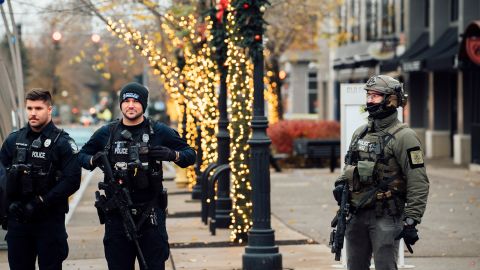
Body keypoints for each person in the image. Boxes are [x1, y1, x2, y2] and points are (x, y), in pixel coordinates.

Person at [78, 82, 196, 270]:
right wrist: (95, 160)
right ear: (121, 104)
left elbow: (190, 155)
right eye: (127, 101)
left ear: (144, 104)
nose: (130, 105)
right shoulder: (107, 133)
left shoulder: (158, 131)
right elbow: (81, 157)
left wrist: (172, 155)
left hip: (150, 214)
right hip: (117, 214)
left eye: (136, 101)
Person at [333, 75, 429, 270]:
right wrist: (341, 184)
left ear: (391, 99)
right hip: (356, 213)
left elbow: (418, 181)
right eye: (368, 95)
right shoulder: (360, 133)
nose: (370, 100)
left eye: (376, 96)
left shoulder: (405, 137)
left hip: (386, 215)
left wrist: (412, 219)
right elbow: (349, 166)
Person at [0, 89, 81, 270]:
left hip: (49, 222)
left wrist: (42, 201)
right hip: (18, 220)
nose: (33, 113)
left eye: (38, 108)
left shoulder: (63, 143)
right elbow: (1, 170)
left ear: (49, 109)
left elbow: (72, 180)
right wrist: (9, 203)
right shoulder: (14, 140)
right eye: (29, 108)